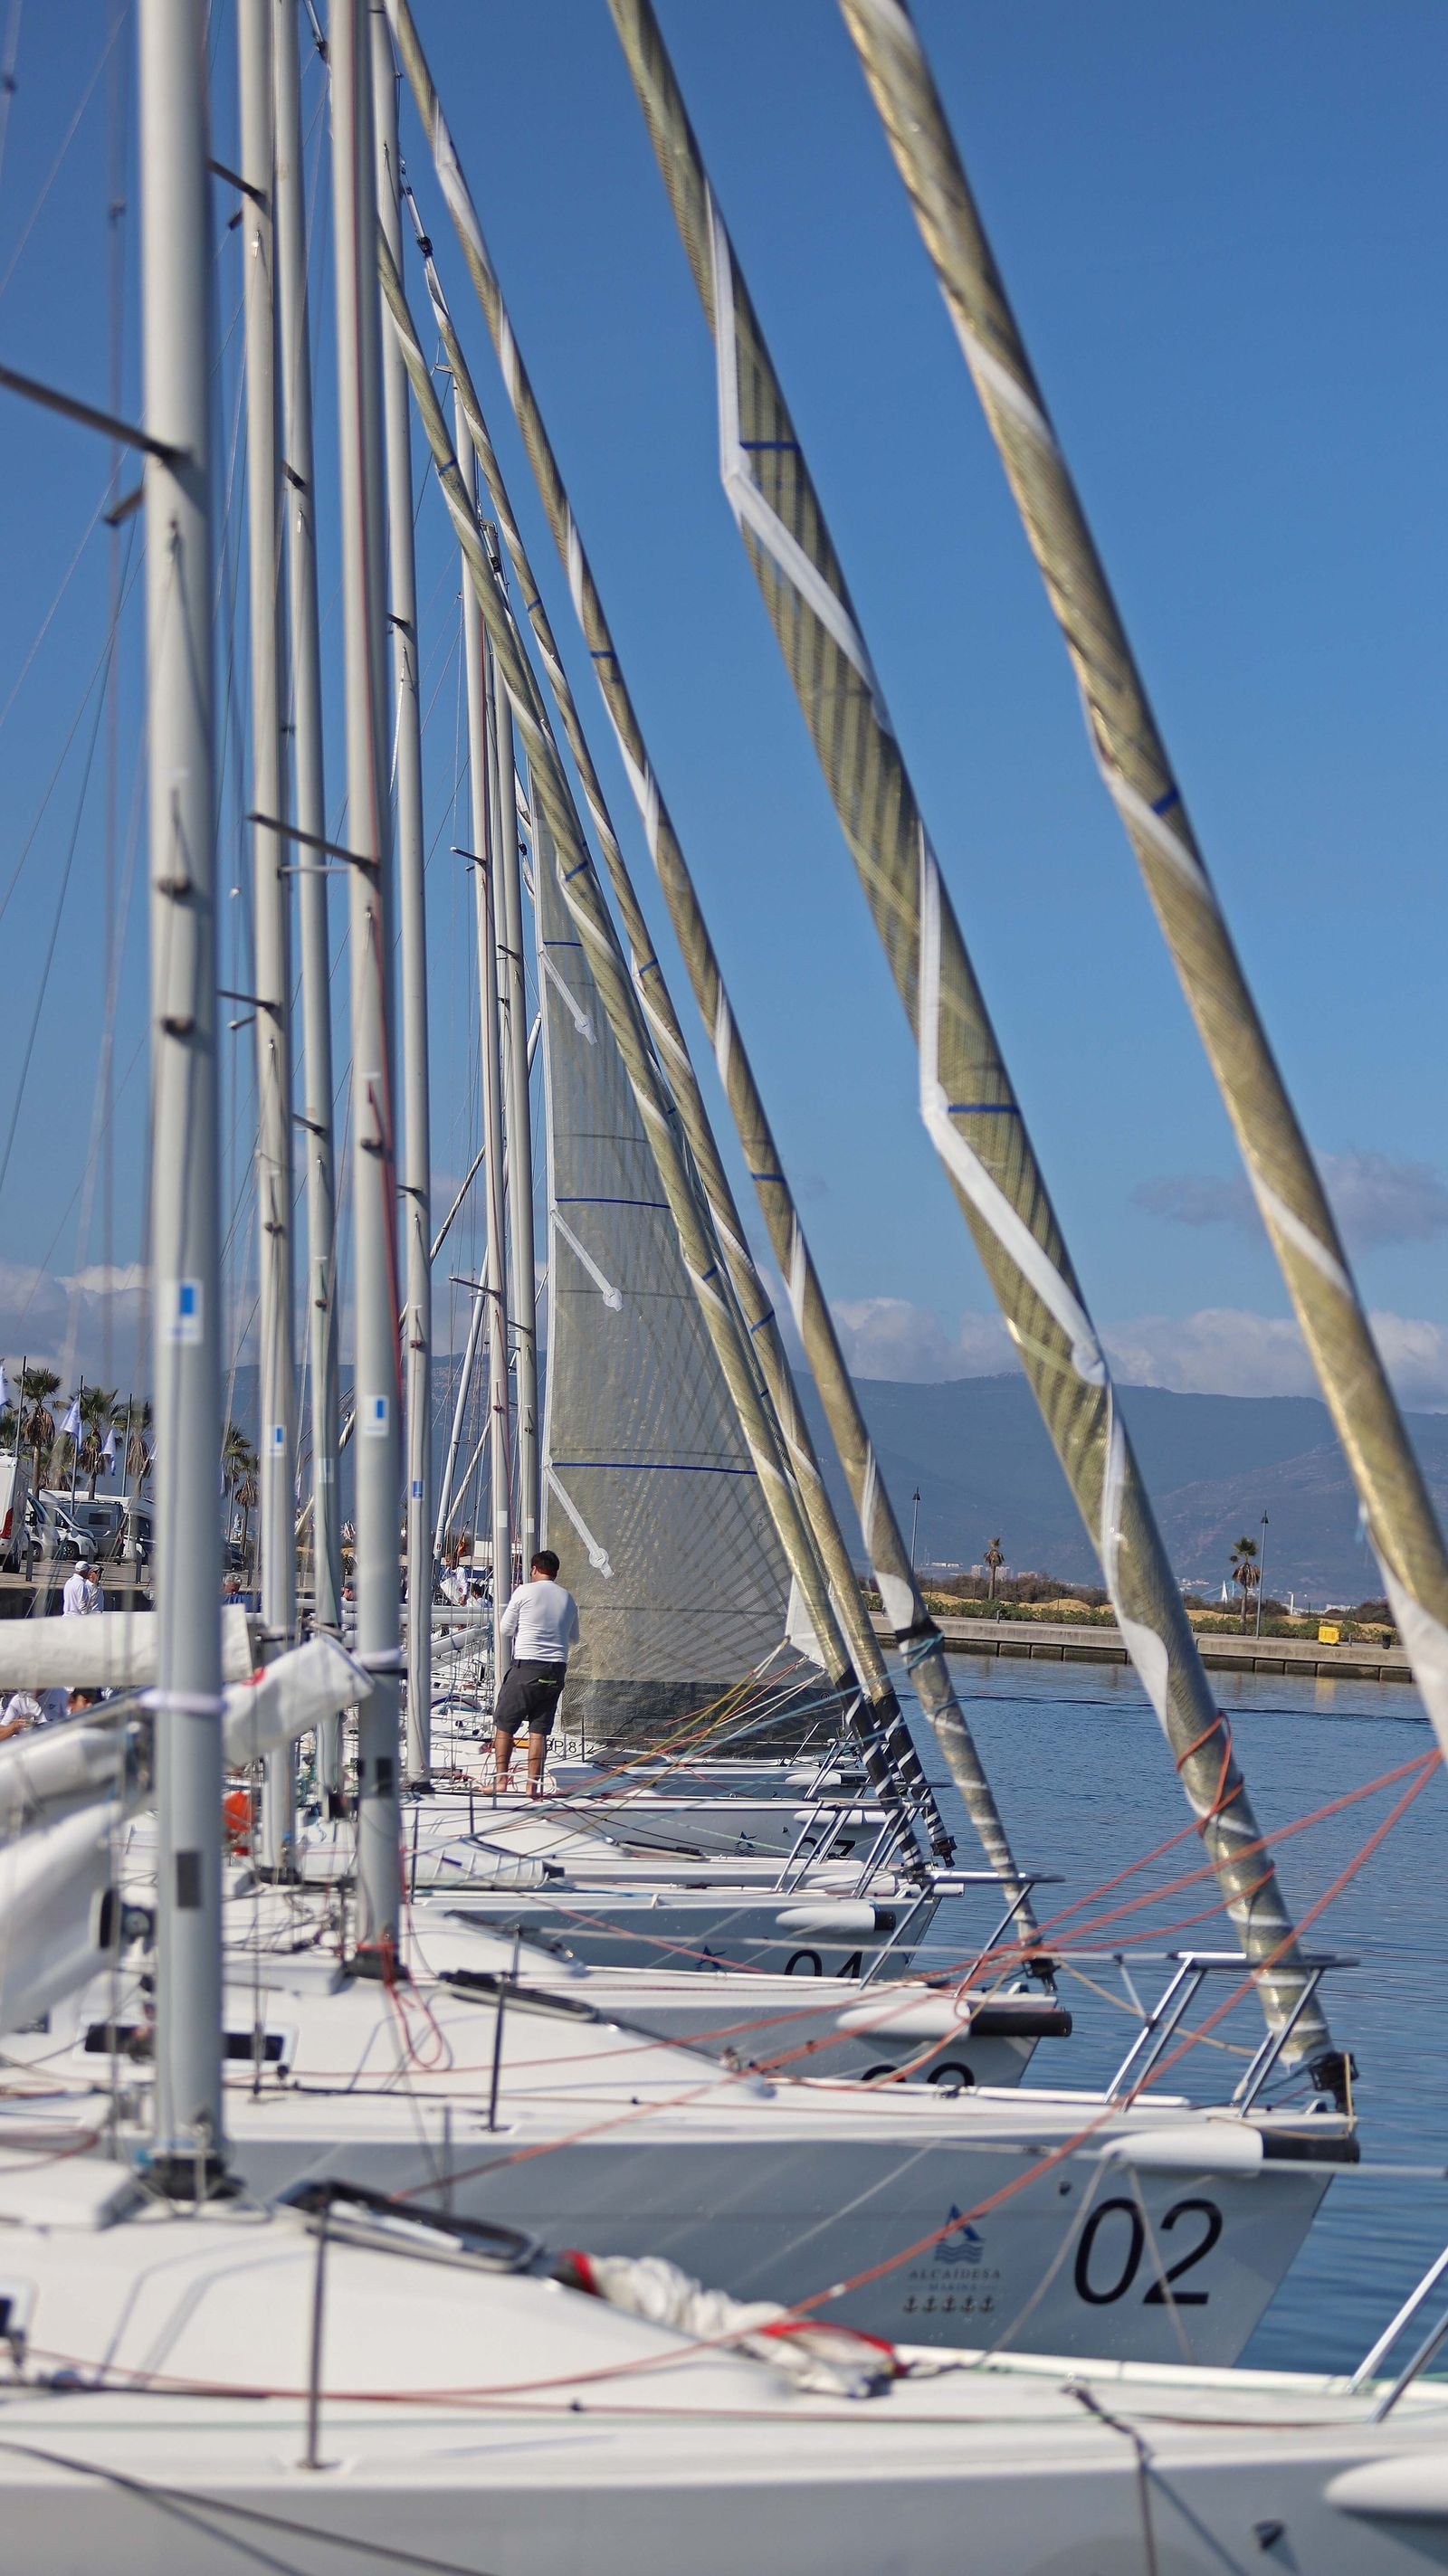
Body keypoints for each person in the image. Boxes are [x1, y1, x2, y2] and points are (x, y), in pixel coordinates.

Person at [492, 1548, 578, 1797]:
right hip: (556, 1669)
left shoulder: (524, 1591)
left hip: (527, 1666)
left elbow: (505, 1629)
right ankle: (534, 1787)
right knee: (538, 1731)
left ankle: (501, 1782)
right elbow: (573, 1638)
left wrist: (526, 1631)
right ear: (555, 1573)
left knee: (505, 1726)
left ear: (534, 1569)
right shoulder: (568, 1598)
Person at [62, 1541, 103, 1618]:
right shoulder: (81, 1584)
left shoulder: (69, 1581)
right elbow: (82, 1605)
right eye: (88, 1570)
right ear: (84, 1571)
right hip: (75, 1618)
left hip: (66, 1616)